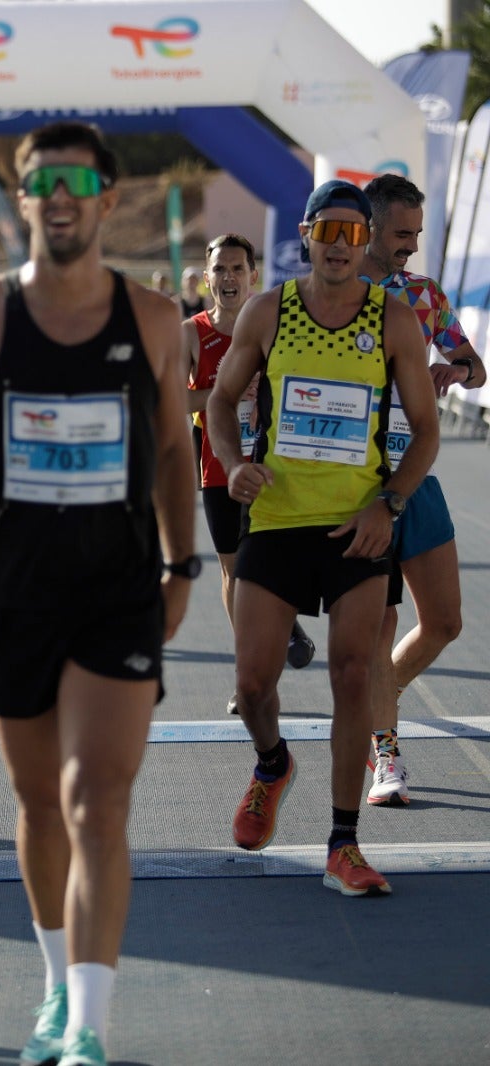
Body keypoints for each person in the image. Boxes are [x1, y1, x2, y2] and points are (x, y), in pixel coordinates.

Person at [0, 122, 196, 1066]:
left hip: (117, 594)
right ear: (23, 199)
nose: (59, 196)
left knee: (96, 802)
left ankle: (90, 1030)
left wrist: (183, 564)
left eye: (76, 180)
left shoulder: (153, 318)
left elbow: (174, 452)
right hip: (16, 596)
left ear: (108, 197)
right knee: (39, 808)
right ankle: (55, 986)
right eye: (42, 182)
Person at [206, 180, 438, 899]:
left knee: (352, 675)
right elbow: (221, 399)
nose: (340, 246)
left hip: (357, 525)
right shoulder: (268, 312)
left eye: (353, 233)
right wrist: (235, 464)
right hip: (277, 520)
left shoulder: (394, 319)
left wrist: (389, 504)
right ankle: (273, 764)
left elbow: (426, 430)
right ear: (306, 234)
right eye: (327, 232)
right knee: (252, 687)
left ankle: (344, 843)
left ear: (365, 241)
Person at [358, 174, 487, 806]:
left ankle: (380, 695)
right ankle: (384, 750)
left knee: (444, 623)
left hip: (418, 472)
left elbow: (476, 368)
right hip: (358, 482)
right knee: (380, 626)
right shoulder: (335, 295)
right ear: (369, 227)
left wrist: (451, 367)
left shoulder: (423, 294)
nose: (410, 245)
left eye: (416, 233)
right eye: (401, 233)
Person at [183, 234, 316, 718]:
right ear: (207, 278)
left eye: (238, 268)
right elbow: (173, 399)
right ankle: (251, 677)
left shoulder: (275, 326)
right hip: (219, 464)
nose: (229, 277)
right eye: (220, 269)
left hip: (273, 462)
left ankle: (284, 624)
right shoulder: (191, 332)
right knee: (234, 571)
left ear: (253, 276)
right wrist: (226, 391)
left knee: (273, 562)